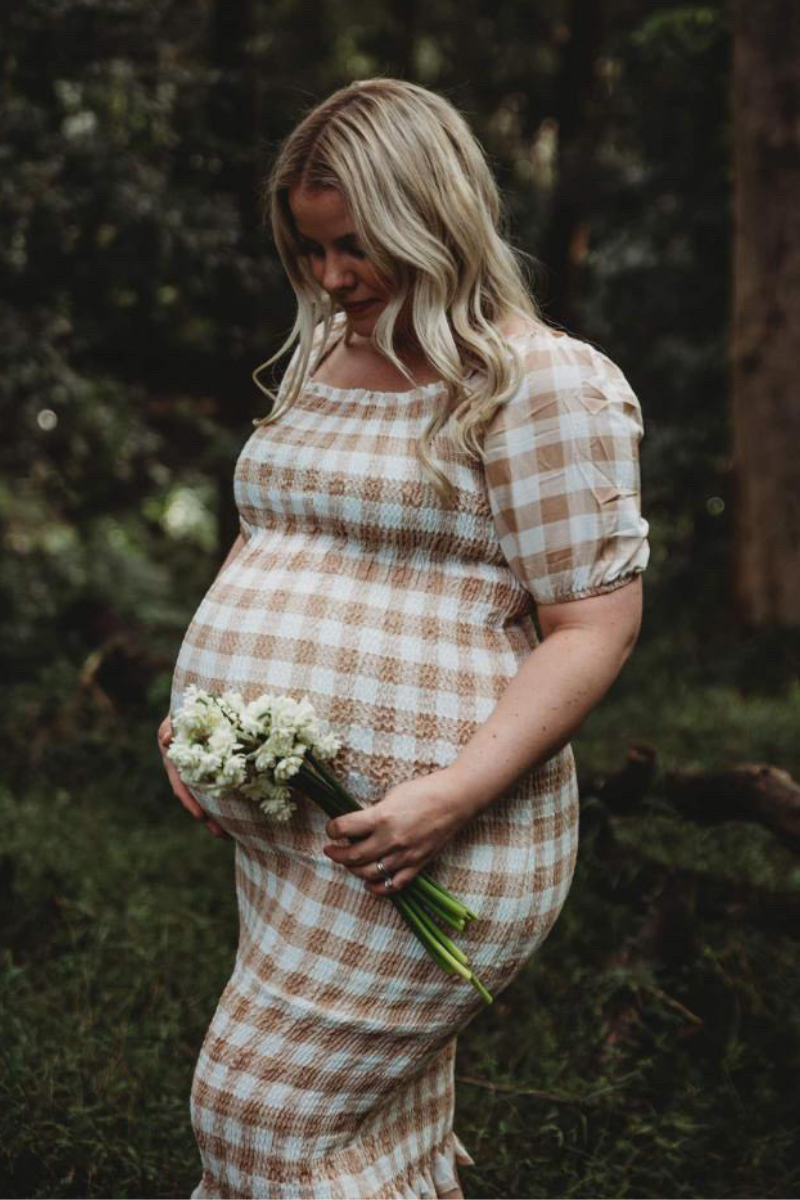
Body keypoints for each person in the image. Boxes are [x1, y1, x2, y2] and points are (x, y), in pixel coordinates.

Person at [158, 77, 649, 1200]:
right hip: (296, 838)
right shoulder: (327, 350)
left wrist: (447, 798)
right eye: (311, 249)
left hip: (437, 842)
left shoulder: (539, 386)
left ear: (434, 215)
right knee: (380, 1141)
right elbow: (266, 534)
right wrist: (196, 714)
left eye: (355, 247)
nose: (332, 277)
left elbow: (593, 625)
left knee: (253, 1117)